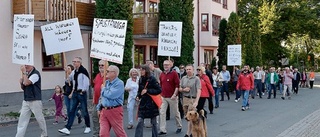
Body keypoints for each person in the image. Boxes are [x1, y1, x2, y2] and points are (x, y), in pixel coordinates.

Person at [59, 57, 91, 135]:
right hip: (75, 93)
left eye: (76, 62)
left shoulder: (83, 71)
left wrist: (83, 91)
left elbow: (87, 83)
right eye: (74, 62)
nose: (75, 63)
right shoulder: (74, 72)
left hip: (81, 93)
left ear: (80, 63)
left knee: (84, 110)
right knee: (71, 110)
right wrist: (66, 72)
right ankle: (67, 128)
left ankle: (88, 126)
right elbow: (68, 80)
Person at [16, 65, 48, 137]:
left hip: (35, 100)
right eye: (25, 65)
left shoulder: (35, 74)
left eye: (27, 65)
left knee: (39, 119)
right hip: (26, 99)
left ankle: (44, 134)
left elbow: (27, 83)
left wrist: (24, 73)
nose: (25, 66)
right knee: (22, 119)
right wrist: (21, 82)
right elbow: (24, 87)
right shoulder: (27, 74)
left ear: (32, 66)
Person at [95, 65, 127, 137]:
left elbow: (111, 95)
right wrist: (98, 107)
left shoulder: (119, 83)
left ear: (114, 73)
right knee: (103, 134)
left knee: (119, 133)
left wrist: (103, 89)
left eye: (108, 71)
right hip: (104, 110)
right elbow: (102, 97)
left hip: (115, 110)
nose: (106, 72)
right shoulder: (106, 82)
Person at [135, 64, 162, 137]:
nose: (141, 71)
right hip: (143, 103)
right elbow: (140, 91)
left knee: (154, 123)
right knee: (140, 121)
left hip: (152, 103)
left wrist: (148, 90)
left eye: (142, 70)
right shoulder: (140, 79)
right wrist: (138, 96)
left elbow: (159, 90)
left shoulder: (152, 79)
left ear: (146, 70)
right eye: (140, 70)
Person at [159, 60, 182, 135]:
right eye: (164, 65)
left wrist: (175, 94)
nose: (165, 66)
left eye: (167, 65)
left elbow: (177, 85)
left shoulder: (174, 73)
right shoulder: (162, 74)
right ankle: (163, 129)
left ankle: (179, 126)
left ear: (170, 65)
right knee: (162, 112)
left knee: (175, 112)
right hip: (164, 96)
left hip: (172, 97)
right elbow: (161, 85)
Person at [179, 64, 201, 137]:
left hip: (193, 99)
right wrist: (183, 89)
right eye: (187, 69)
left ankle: (188, 133)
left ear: (193, 70)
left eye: (189, 69)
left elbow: (199, 90)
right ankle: (193, 131)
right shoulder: (183, 78)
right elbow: (179, 88)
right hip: (185, 98)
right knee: (187, 117)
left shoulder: (196, 79)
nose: (188, 71)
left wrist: (196, 101)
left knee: (190, 116)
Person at [92, 60, 106, 137]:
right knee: (94, 117)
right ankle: (96, 134)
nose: (100, 66)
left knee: (103, 119)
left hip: (104, 102)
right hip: (97, 101)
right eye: (99, 65)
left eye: (102, 65)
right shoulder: (97, 75)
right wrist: (94, 98)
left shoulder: (108, 77)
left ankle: (102, 133)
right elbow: (95, 88)